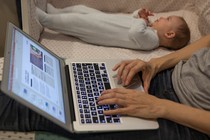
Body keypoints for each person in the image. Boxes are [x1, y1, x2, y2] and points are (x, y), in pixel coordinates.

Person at [0, 32, 209, 139]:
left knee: (44, 111)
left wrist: (159, 107)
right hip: (168, 75)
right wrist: (155, 63)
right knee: (68, 79)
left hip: (186, 119)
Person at [36, 4, 190, 51]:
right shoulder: (148, 29)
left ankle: (43, 18)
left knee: (73, 21)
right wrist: (138, 14)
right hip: (102, 19)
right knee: (79, 9)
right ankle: (55, 12)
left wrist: (143, 20)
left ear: (169, 34)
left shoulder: (152, 41)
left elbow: (135, 32)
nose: (162, 17)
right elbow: (131, 21)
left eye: (167, 19)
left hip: (98, 29)